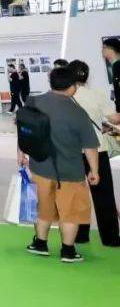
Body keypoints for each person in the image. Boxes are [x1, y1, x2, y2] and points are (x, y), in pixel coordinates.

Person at [21, 64, 101, 263]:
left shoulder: (33, 102)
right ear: (72, 86)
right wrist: (94, 170)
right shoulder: (77, 113)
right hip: (70, 172)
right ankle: (68, 251)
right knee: (71, 212)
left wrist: (21, 153)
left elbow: (23, 131)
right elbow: (90, 146)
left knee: (43, 208)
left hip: (39, 167)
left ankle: (40, 244)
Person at [69, 59, 120, 247]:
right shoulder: (97, 95)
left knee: (77, 193)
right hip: (98, 150)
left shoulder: (64, 98)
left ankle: (80, 234)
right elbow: (115, 118)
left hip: (73, 151)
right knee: (104, 195)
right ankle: (111, 238)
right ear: (87, 76)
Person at [104, 37, 120, 111]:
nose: (102, 50)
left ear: (111, 49)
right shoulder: (114, 65)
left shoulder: (117, 65)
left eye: (104, 48)